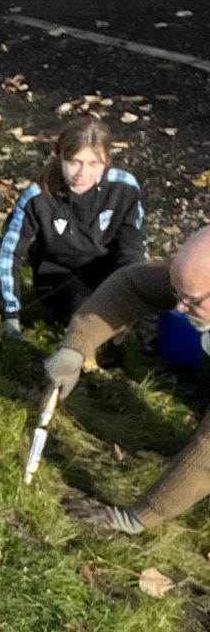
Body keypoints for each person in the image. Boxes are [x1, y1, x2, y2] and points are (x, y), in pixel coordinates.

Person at [43, 224, 210, 535]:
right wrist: (75, 348)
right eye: (176, 292)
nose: (178, 307)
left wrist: (137, 517)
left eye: (192, 301)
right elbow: (131, 286)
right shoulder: (197, 282)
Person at [0, 120, 145, 337]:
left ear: (106, 161)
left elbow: (132, 242)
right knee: (87, 313)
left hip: (108, 268)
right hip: (59, 274)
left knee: (152, 306)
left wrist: (133, 285)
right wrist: (10, 313)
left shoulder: (125, 188)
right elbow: (9, 252)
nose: (82, 173)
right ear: (60, 157)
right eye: (74, 162)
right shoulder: (38, 197)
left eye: (94, 164)